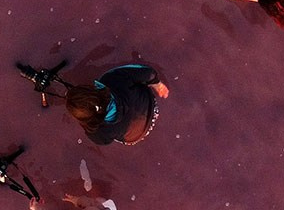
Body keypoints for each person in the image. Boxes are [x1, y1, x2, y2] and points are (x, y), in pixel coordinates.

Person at [15, 56, 170, 145]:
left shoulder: (96, 131)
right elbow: (147, 73)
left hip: (136, 135)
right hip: (150, 105)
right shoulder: (112, 80)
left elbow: (104, 142)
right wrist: (157, 84)